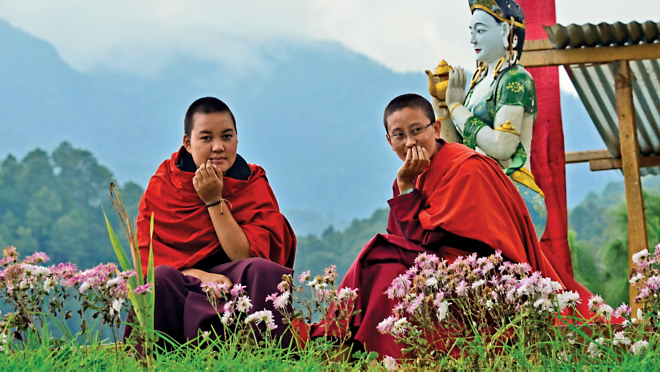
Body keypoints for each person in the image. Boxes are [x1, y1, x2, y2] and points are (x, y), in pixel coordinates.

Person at [310, 93, 591, 359]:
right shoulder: (408, 177)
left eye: (416, 130)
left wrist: (407, 188)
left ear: (437, 128)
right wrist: (406, 187)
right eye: (399, 135)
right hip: (435, 268)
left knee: (380, 261)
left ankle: (345, 343)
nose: (409, 142)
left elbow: (428, 240)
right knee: (382, 262)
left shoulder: (466, 167)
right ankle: (344, 345)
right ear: (389, 141)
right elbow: (405, 241)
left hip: (483, 277)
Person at [123, 97, 297, 347]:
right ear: (188, 143)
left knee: (263, 271)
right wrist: (200, 275)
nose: (218, 147)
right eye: (206, 138)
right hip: (182, 278)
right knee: (160, 277)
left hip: (238, 279)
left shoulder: (251, 182)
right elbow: (148, 256)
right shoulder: (165, 184)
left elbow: (246, 254)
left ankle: (266, 359)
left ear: (237, 139)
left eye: (226, 137)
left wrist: (214, 201)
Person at [433, 0, 547, 239]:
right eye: (471, 31)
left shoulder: (515, 79)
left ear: (506, 31)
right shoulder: (477, 84)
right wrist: (442, 107)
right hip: (479, 192)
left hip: (511, 192)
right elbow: (459, 151)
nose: (473, 40)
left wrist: (456, 107)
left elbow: (502, 147)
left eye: (481, 31)